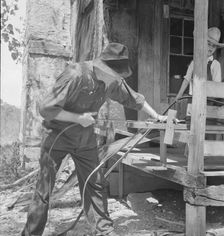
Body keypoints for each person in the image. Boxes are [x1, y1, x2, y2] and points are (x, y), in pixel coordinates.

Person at [21, 42, 167, 236]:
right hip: (57, 136)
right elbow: (46, 109)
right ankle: (31, 233)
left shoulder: (112, 82)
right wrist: (77, 118)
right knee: (45, 187)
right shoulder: (75, 74)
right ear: (102, 67)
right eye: (116, 76)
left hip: (84, 139)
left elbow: (134, 99)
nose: (118, 81)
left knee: (95, 182)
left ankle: (103, 231)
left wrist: (157, 116)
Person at [175, 27, 224, 142]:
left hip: (209, 101)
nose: (211, 48)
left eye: (214, 46)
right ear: (202, 43)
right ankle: (190, 152)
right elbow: (187, 80)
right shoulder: (195, 62)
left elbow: (216, 86)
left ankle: (206, 152)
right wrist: (179, 95)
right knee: (191, 126)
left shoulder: (215, 65)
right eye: (209, 44)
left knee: (208, 126)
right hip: (193, 100)